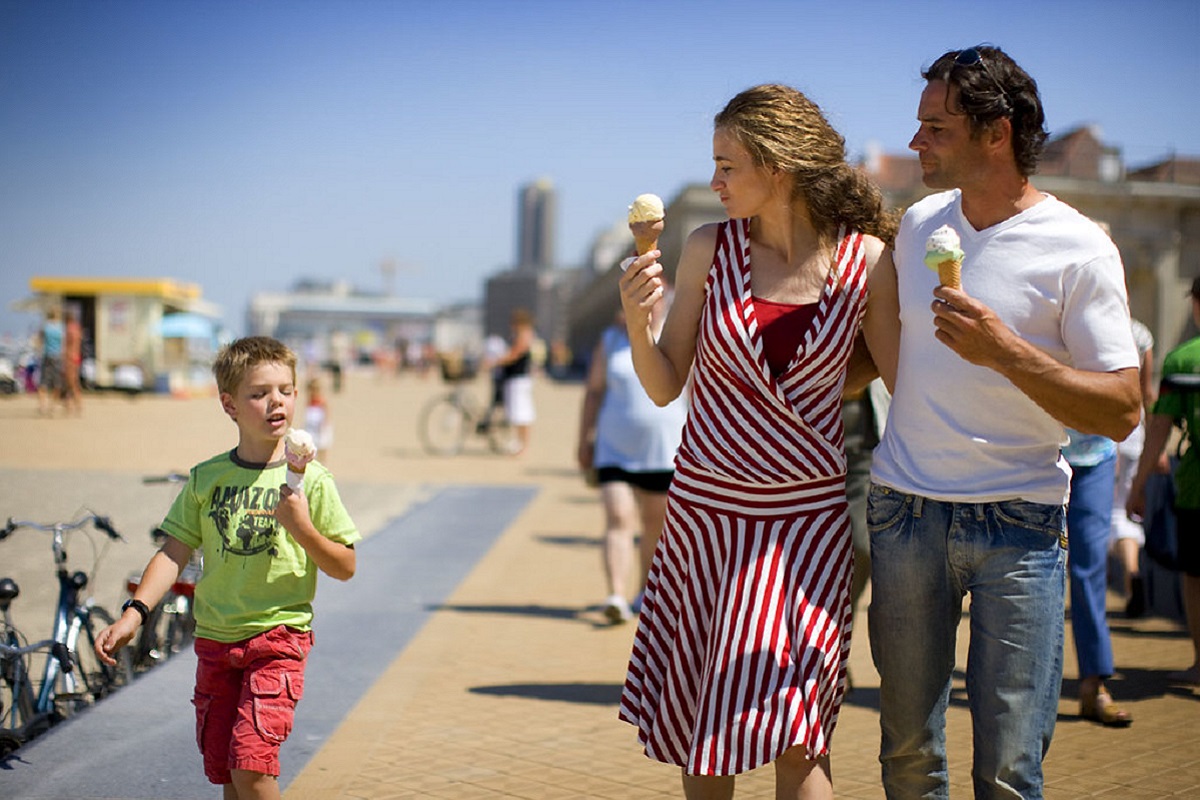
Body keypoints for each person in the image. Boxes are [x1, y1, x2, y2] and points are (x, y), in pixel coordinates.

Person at [867, 46, 1141, 799]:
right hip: (904, 514)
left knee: (1008, 770)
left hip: (1020, 525)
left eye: (936, 127)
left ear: (997, 131)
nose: (917, 141)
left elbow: (1121, 410)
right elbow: (885, 345)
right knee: (908, 757)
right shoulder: (918, 226)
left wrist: (1007, 354)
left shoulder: (1080, 248)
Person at [617, 84, 898, 799]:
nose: (714, 182)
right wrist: (634, 320)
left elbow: (903, 376)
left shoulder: (866, 261)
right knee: (709, 739)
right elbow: (662, 385)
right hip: (708, 520)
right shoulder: (709, 249)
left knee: (802, 737)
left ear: (778, 165)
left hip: (807, 529)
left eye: (726, 165)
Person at [94, 336, 359, 800]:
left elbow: (345, 565)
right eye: (259, 393)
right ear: (229, 404)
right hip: (215, 640)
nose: (276, 400)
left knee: (252, 766)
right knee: (227, 775)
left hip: (278, 638)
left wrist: (303, 529)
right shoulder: (206, 478)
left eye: (286, 389)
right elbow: (173, 552)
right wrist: (133, 614)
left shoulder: (312, 481)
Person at [577, 291, 687, 625]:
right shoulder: (610, 340)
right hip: (615, 448)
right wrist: (585, 439)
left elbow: (694, 391)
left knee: (655, 525)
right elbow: (594, 392)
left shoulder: (676, 336)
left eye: (654, 299)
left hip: (665, 449)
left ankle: (644, 590)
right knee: (618, 517)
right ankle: (615, 594)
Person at [1128, 277, 1200, 688]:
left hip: (1194, 483)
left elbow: (1158, 430)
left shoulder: (1183, 360)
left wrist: (1138, 485)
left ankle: (1199, 661)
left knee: (1195, 574)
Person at [1062, 426, 1131, 726]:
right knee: (1037, 571)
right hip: (1036, 454)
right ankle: (1035, 692)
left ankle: (1094, 684)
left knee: (1088, 570)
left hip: (1095, 456)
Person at [1111, 319, 1156, 618]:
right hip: (1133, 432)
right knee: (1123, 511)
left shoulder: (1098, 323)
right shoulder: (1141, 333)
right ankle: (1132, 574)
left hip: (1098, 432)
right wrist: (1155, 443)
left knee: (1092, 514)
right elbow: (1147, 393)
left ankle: (1086, 588)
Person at [494, 308, 536, 455]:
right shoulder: (522, 334)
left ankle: (523, 445)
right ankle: (520, 443)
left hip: (519, 379)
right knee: (518, 414)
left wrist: (496, 361)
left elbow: (514, 354)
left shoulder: (524, 335)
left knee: (521, 414)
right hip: (515, 379)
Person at [35, 307, 65, 417]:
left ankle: (42, 406)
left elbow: (39, 341)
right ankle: (53, 407)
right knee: (57, 383)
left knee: (43, 382)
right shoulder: (61, 327)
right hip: (57, 357)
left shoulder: (45, 327)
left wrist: (38, 351)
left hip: (47, 356)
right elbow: (63, 343)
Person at [304, 375, 333, 463]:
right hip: (311, 427)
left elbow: (327, 413)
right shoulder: (309, 400)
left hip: (320, 427)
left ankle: (323, 465)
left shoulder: (322, 400)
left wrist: (324, 426)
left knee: (322, 449)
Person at [62, 309, 83, 415]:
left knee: (70, 383)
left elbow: (67, 346)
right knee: (74, 383)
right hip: (76, 357)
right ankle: (74, 405)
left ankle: (72, 406)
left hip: (70, 358)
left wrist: (64, 358)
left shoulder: (69, 329)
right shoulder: (77, 328)